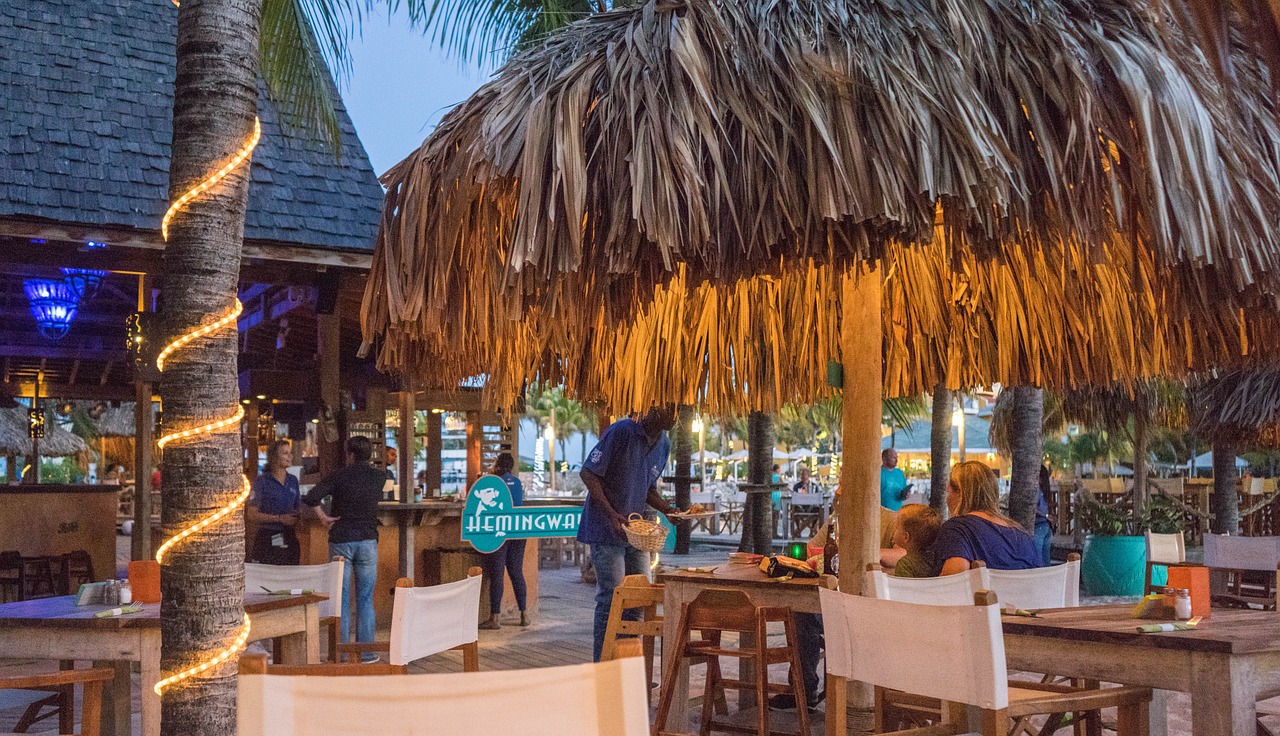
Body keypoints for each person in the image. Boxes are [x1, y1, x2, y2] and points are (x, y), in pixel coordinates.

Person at [578, 406, 679, 662]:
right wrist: (612, 513)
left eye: (679, 410)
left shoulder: (663, 444)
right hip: (606, 527)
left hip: (636, 532)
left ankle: (628, 664)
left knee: (639, 597)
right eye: (670, 408)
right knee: (612, 597)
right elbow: (588, 472)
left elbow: (648, 489)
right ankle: (603, 665)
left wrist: (669, 510)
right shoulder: (622, 431)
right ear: (652, 408)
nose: (675, 414)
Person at [302, 435, 386, 662]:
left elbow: (311, 498)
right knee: (365, 598)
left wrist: (323, 518)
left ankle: (342, 654)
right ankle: (366, 652)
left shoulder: (339, 475)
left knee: (342, 598)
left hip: (341, 541)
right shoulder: (380, 477)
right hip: (368, 541)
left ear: (350, 454)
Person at [934, 461, 1042, 575]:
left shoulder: (958, 529)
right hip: (1026, 592)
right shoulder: (1021, 534)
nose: (947, 499)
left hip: (983, 593)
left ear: (960, 493)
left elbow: (953, 582)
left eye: (948, 492)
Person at [480, 453, 529, 630]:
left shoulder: (494, 482)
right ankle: (524, 615)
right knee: (516, 571)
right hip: (518, 529)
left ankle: (496, 618)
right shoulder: (517, 482)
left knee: (497, 574)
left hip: (499, 530)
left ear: (498, 465)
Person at [247, 440, 301, 565]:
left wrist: (297, 516)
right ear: (275, 457)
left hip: (289, 535)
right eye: (285, 453)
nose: (290, 456)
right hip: (267, 535)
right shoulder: (262, 482)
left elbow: (297, 507)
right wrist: (279, 518)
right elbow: (251, 514)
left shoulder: (292, 480)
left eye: (290, 453)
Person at [889, 504, 940, 578]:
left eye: (896, 527)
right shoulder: (935, 560)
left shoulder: (905, 564)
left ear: (906, 537)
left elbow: (904, 589)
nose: (894, 530)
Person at [1035, 463, 1055, 565]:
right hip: (1046, 526)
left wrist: (1045, 515)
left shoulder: (1037, 490)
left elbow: (1033, 507)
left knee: (1037, 559)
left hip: (1038, 525)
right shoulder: (1045, 490)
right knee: (1046, 560)